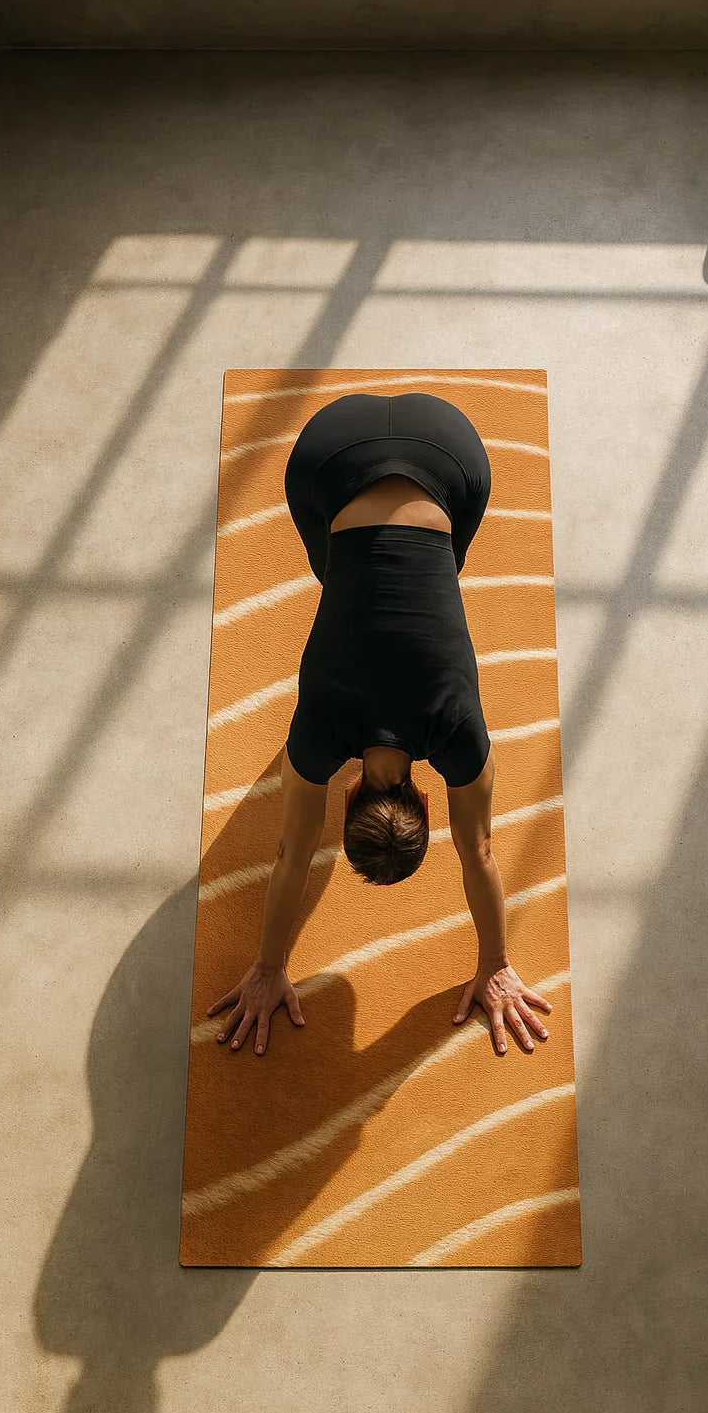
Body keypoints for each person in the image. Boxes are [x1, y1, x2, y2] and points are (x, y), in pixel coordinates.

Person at [207, 391, 552, 1059]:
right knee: (340, 564)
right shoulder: (314, 740)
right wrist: (270, 968)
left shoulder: (457, 734)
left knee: (435, 558)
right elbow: (292, 856)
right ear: (349, 798)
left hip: (452, 442)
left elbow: (478, 854)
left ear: (427, 799)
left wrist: (496, 964)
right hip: (327, 450)